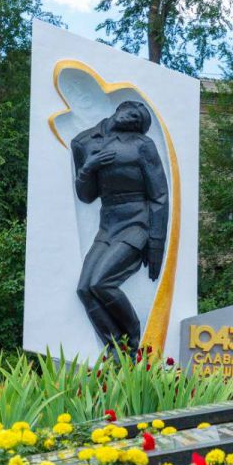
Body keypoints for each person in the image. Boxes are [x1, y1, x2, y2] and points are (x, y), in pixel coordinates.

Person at [71, 100, 169, 354]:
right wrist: (88, 168)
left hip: (136, 221)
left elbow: (159, 195)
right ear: (119, 109)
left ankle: (134, 340)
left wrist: (156, 244)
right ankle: (116, 348)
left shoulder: (143, 145)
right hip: (107, 225)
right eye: (133, 113)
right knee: (84, 289)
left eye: (139, 120)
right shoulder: (83, 142)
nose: (134, 119)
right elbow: (86, 196)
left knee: (101, 283)